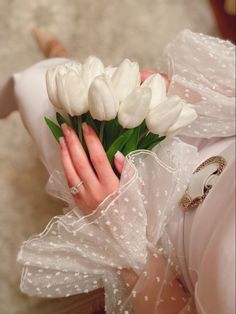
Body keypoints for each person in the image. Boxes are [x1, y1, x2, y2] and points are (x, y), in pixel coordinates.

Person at [1, 29, 235, 313]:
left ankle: (56, 58)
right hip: (207, 134)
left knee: (44, 98)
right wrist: (209, 97)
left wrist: (123, 235)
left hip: (154, 245)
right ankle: (55, 61)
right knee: (69, 86)